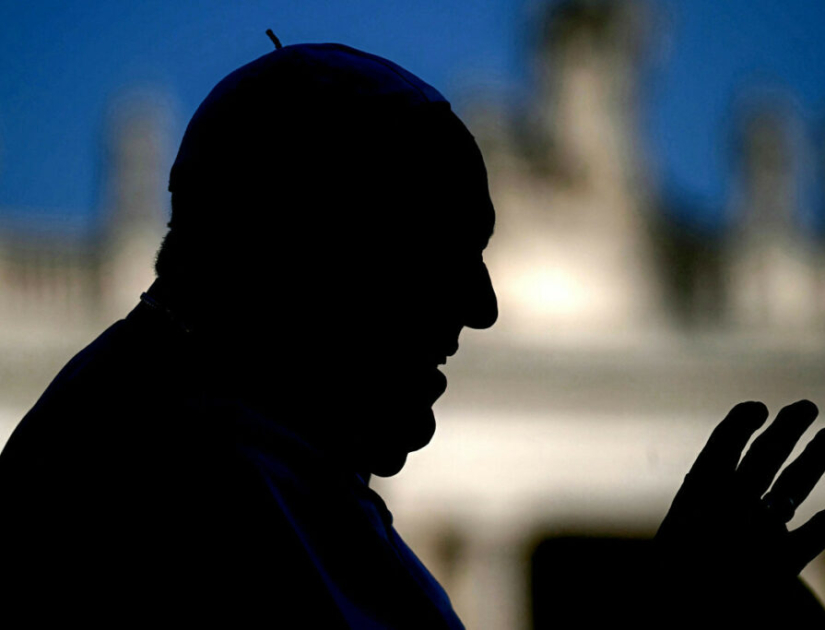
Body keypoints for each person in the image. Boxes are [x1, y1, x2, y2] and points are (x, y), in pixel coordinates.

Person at [1, 40, 824, 627]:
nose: (482, 306)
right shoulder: (171, 488)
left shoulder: (256, 461)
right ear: (311, 248)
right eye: (443, 253)